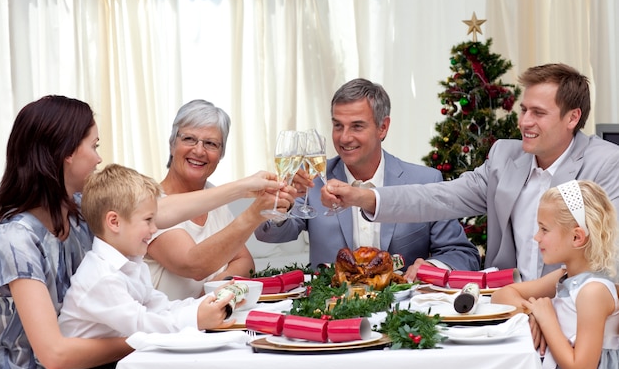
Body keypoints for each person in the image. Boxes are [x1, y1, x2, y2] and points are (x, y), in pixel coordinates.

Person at [0, 95, 281, 369]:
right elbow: (54, 355)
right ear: (65, 152)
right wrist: (147, 337)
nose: (98, 158)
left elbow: (159, 210)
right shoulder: (17, 238)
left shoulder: (77, 210)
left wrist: (244, 188)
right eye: (94, 146)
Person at [321, 64, 619, 281]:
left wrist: (540, 307)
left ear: (573, 118)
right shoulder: (505, 156)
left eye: (538, 113)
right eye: (523, 110)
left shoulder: (604, 163)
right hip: (504, 307)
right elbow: (438, 197)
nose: (524, 122)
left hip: (572, 312)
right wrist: (362, 197)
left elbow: (604, 260)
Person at [255, 78, 481, 276]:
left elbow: (463, 254)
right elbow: (270, 235)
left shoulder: (425, 181)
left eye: (357, 126)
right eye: (337, 125)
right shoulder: (313, 180)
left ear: (382, 128)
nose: (344, 138)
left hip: (406, 312)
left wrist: (433, 266)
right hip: (331, 311)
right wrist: (282, 201)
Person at [145, 99, 293, 300]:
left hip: (204, 322)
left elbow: (245, 261)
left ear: (221, 154)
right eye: (189, 139)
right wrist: (254, 213)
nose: (199, 151)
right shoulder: (150, 202)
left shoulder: (211, 195)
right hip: (165, 327)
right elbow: (193, 264)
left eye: (211, 144)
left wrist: (212, 292)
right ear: (172, 144)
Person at [492, 180, 619, 369]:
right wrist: (532, 313)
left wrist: (548, 321)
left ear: (577, 237)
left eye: (544, 229)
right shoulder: (565, 276)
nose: (536, 237)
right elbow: (501, 295)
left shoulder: (593, 292)